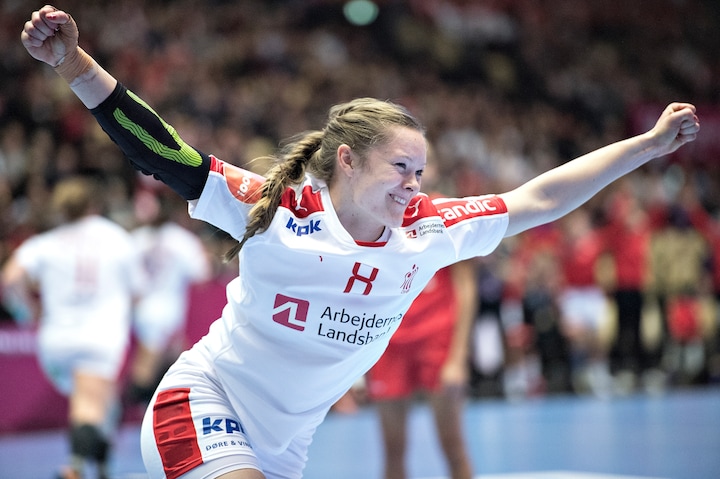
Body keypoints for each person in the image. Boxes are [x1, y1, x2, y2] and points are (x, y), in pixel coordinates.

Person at [20, 6, 700, 479]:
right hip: (203, 406)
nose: (414, 184)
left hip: (286, 447)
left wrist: (645, 147)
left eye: (420, 171)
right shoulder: (276, 208)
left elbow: (539, 199)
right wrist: (75, 63)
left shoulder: (428, 230)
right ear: (347, 160)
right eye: (400, 167)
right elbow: (164, 153)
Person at [1, 175, 145, 479]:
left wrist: (27, 311)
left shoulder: (45, 242)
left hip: (54, 339)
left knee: (102, 403)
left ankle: (103, 465)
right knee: (89, 406)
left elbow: (10, 279)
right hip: (99, 336)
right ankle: (74, 467)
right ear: (94, 205)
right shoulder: (117, 238)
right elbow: (138, 292)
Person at [365, 155, 477, 479]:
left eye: (420, 167)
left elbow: (466, 287)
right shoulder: (375, 214)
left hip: (437, 342)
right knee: (393, 451)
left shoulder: (443, 213)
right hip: (389, 344)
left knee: (453, 445)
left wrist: (458, 357)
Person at [126, 187, 212, 406]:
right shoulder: (182, 240)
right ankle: (135, 408)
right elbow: (202, 274)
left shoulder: (134, 239)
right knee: (148, 369)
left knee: (173, 360)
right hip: (168, 309)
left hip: (142, 309)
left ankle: (156, 406)